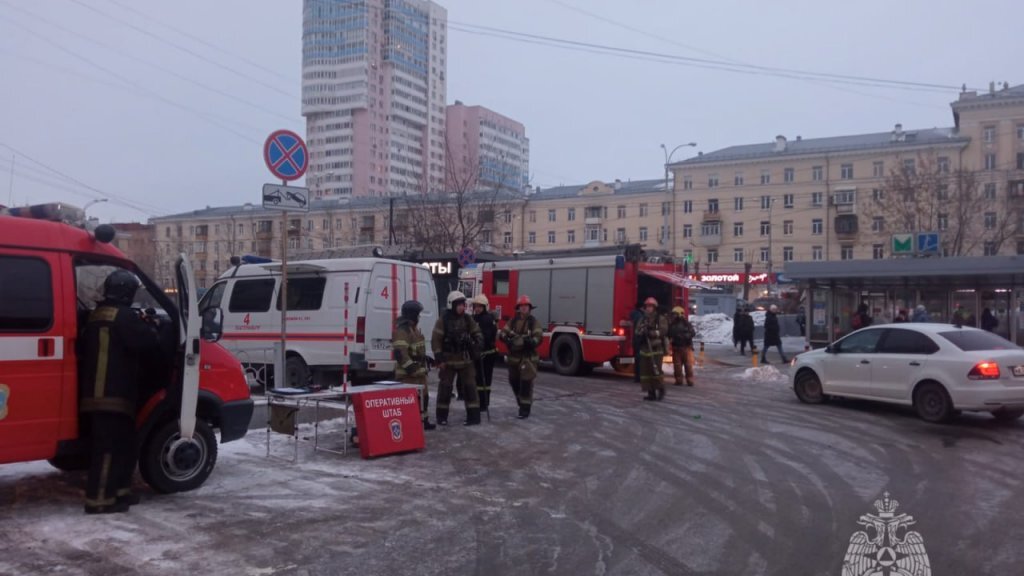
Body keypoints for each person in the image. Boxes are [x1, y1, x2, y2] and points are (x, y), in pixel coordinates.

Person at [79, 270, 161, 514]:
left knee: (124, 445)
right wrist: (151, 325)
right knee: (109, 449)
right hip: (113, 395)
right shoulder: (124, 317)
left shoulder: (96, 315)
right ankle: (99, 500)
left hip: (96, 394)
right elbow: (148, 342)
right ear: (127, 292)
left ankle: (120, 492)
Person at [431, 291, 483, 426]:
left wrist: (473, 342)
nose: (461, 307)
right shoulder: (443, 320)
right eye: (458, 305)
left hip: (465, 359)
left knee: (470, 387)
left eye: (463, 304)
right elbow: (436, 340)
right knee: (445, 388)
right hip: (448, 360)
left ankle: (474, 416)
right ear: (452, 305)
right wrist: (439, 357)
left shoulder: (467, 319)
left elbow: (478, 334)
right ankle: (441, 417)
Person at [393, 300, 435, 430]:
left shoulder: (413, 329)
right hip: (408, 375)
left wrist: (426, 358)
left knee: (424, 397)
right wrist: (412, 369)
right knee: (411, 400)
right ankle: (411, 423)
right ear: (412, 315)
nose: (419, 317)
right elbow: (401, 354)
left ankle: (423, 420)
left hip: (419, 373)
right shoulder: (403, 331)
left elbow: (415, 349)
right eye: (417, 314)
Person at [500, 295, 543, 419]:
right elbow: (503, 332)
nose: (524, 308)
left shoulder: (533, 322)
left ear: (529, 308)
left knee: (526, 383)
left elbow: (538, 336)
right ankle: (521, 402)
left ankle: (525, 409)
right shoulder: (512, 321)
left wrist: (532, 342)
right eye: (522, 306)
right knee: (513, 381)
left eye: (526, 306)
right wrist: (507, 340)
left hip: (527, 358)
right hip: (514, 358)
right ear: (518, 308)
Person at [634, 297, 667, 401]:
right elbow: (637, 331)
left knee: (655, 371)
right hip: (645, 349)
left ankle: (661, 389)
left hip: (656, 349)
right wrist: (642, 333)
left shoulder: (660, 318)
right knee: (645, 373)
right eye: (647, 306)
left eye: (651, 306)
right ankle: (650, 393)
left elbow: (663, 331)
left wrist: (652, 333)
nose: (649, 308)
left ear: (654, 307)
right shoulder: (642, 319)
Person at [471, 294, 498, 414]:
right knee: (478, 380)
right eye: (476, 306)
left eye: (480, 307)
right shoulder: (475, 318)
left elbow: (486, 337)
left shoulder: (486, 319)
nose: (477, 309)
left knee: (484, 381)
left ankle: (483, 403)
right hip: (479, 354)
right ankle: (481, 402)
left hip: (486, 354)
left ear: (485, 307)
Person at [667, 306, 696, 387]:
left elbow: (692, 333)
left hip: (686, 347)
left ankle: (689, 380)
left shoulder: (686, 324)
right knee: (677, 365)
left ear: (679, 314)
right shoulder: (672, 324)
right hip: (676, 348)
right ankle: (678, 380)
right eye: (673, 314)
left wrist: (683, 336)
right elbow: (668, 334)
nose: (673, 316)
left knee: (688, 365)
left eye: (675, 314)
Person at [629, 304, 644, 383]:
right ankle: (639, 377)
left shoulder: (634, 314)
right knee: (641, 360)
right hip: (640, 340)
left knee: (637, 359)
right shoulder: (641, 316)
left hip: (635, 340)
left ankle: (637, 377)